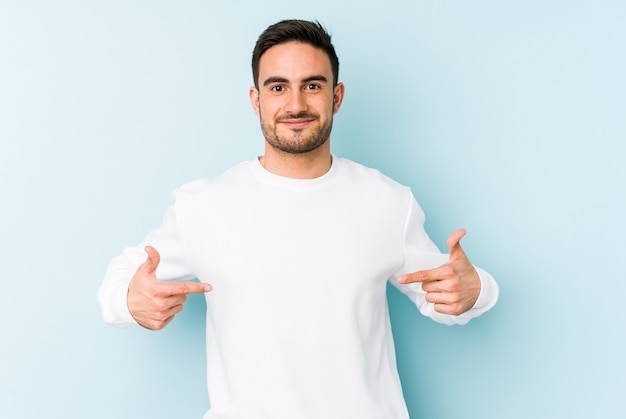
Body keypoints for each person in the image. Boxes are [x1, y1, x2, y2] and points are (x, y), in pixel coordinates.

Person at [98, 19, 498, 419]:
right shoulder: (203, 205)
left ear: (336, 96)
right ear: (256, 100)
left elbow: (447, 296)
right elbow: (121, 280)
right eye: (278, 87)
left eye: (312, 85)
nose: (295, 105)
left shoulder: (389, 201)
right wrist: (128, 301)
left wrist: (478, 289)